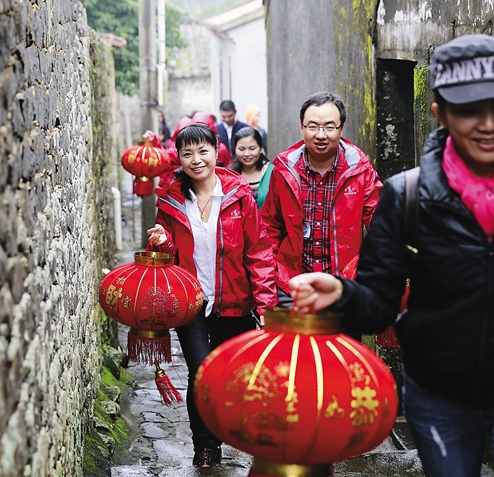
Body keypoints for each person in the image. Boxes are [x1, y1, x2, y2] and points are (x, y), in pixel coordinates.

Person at [288, 35, 494, 477]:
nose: (488, 124)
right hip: (439, 392)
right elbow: (379, 303)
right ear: (440, 113)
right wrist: (342, 294)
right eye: (468, 110)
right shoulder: (407, 196)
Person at [146, 123, 277, 468]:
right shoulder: (171, 198)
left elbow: (259, 252)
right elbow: (166, 257)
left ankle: (235, 432)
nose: (196, 159)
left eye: (202, 151)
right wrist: (161, 241)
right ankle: (206, 447)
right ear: (179, 158)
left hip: (235, 304)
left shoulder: (238, 195)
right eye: (187, 153)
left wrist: (266, 305)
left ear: (218, 151)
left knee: (232, 376)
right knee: (200, 372)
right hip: (192, 305)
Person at [260, 91, 383, 336]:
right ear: (301, 127)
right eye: (313, 126)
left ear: (341, 128)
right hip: (292, 287)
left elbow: (381, 225)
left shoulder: (359, 169)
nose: (321, 135)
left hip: (343, 287)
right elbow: (269, 230)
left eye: (329, 127)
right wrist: (270, 283)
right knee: (297, 365)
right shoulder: (284, 169)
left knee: (342, 364)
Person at [230, 126, 273, 210]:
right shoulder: (230, 176)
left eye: (252, 148)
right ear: (235, 149)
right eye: (241, 149)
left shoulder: (272, 172)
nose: (247, 154)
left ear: (261, 149)